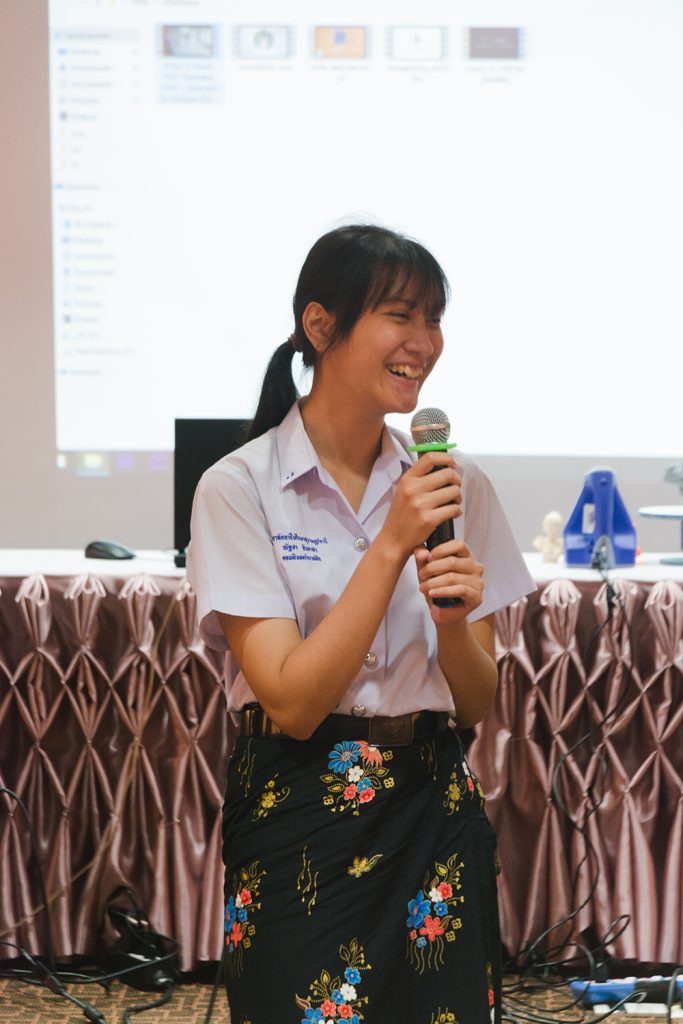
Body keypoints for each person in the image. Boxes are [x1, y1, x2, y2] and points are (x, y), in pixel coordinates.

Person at [187, 224, 535, 1024]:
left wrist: (452, 624)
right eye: (399, 316)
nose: (424, 342)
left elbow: (475, 704)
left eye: (433, 319)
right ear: (320, 326)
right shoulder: (239, 487)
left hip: (431, 809)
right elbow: (292, 702)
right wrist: (388, 547)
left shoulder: (452, 482)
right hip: (297, 808)